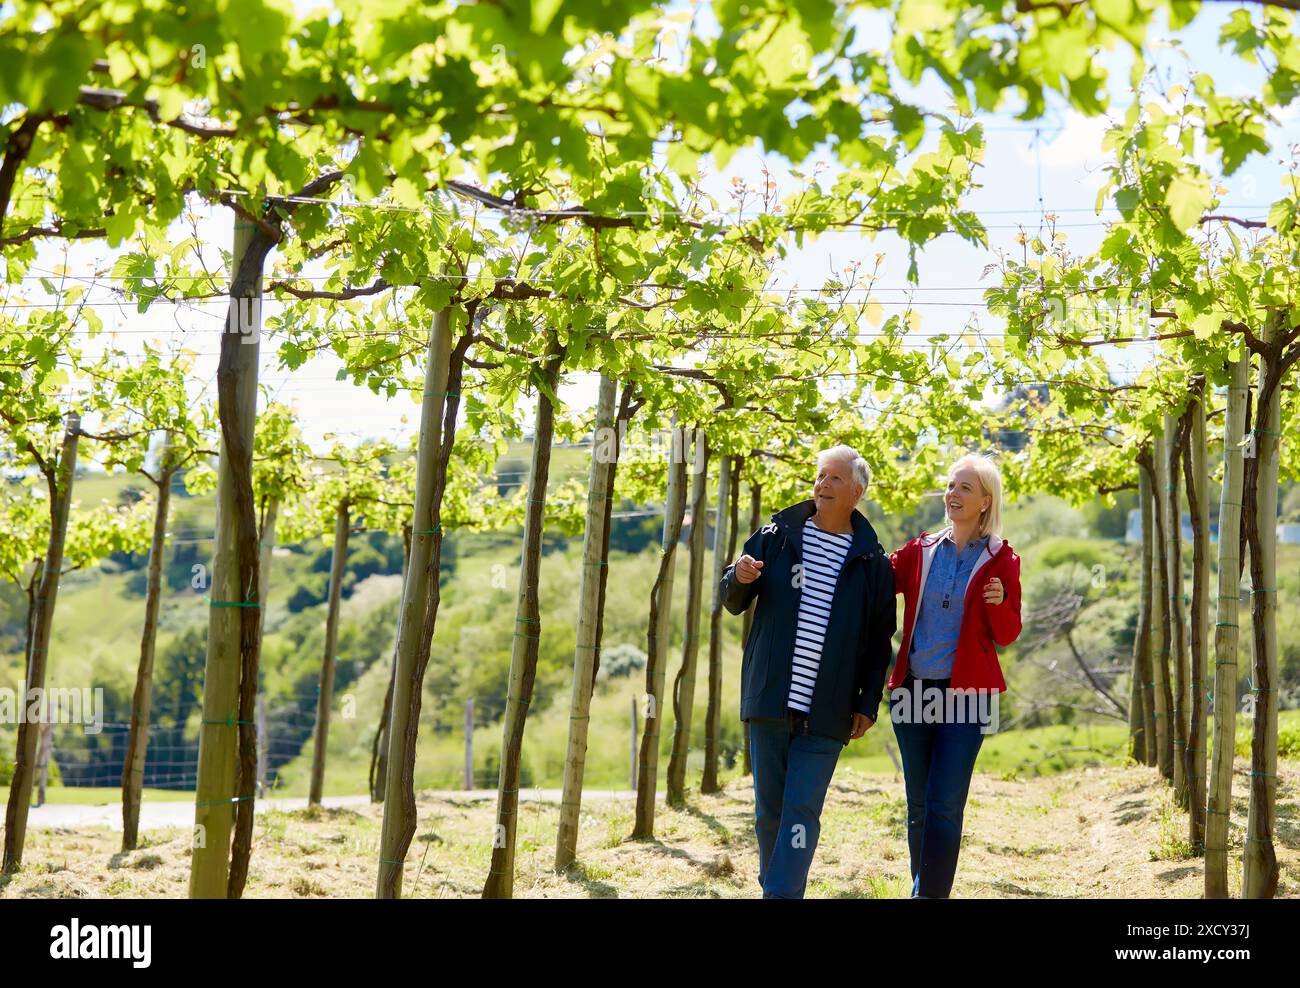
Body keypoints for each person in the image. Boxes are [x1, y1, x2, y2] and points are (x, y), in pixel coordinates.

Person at [721, 444, 895, 898]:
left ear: (857, 491)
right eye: (820, 476)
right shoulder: (777, 535)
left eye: (834, 478)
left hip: (829, 710)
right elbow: (732, 598)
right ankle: (777, 889)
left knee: (801, 810)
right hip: (771, 700)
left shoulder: (873, 562)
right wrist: (737, 576)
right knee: (769, 813)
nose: (822, 485)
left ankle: (779, 894)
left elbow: (879, 642)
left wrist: (866, 703)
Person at [887, 453, 1022, 898]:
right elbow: (876, 578)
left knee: (945, 804)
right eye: (950, 486)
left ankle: (926, 896)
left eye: (964, 488)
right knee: (920, 805)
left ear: (985, 501)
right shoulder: (920, 551)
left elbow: (1007, 635)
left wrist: (1000, 602)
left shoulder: (1003, 560)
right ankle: (922, 887)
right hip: (913, 692)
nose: (953, 494)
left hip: (968, 697)